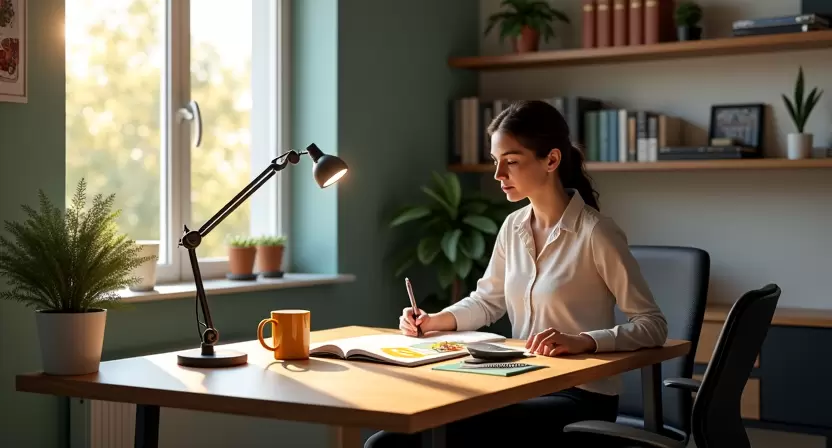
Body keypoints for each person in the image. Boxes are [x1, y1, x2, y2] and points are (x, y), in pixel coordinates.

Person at [365, 100, 668, 448]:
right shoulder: (513, 226)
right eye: (496, 162)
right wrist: (436, 320)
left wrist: (584, 340)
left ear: (551, 160)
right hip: (520, 383)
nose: (498, 175)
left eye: (510, 162)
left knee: (426, 435)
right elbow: (487, 301)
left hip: (580, 398)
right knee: (390, 439)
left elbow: (652, 324)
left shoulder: (596, 233)